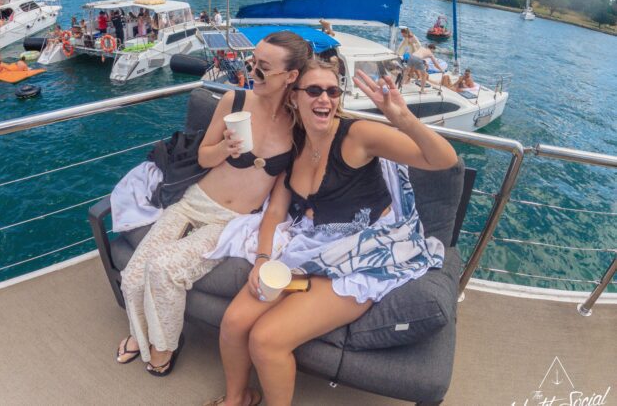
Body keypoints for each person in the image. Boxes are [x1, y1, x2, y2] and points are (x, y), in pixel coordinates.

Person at [210, 59, 457, 406]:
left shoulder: (357, 135)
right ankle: (237, 399)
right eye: (314, 90)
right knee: (234, 322)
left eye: (332, 91)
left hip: (360, 257)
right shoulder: (296, 144)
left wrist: (402, 119)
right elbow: (277, 211)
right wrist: (262, 259)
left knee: (266, 340)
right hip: (312, 249)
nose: (324, 98)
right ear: (294, 97)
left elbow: (443, 160)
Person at [115, 31, 312, 377]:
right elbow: (205, 157)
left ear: (291, 76)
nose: (253, 73)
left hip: (231, 222)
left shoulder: (298, 128)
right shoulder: (234, 101)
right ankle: (139, 335)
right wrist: (224, 149)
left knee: (163, 269)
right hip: (195, 202)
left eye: (264, 68)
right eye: (253, 63)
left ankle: (162, 350)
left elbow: (285, 187)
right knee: (132, 276)